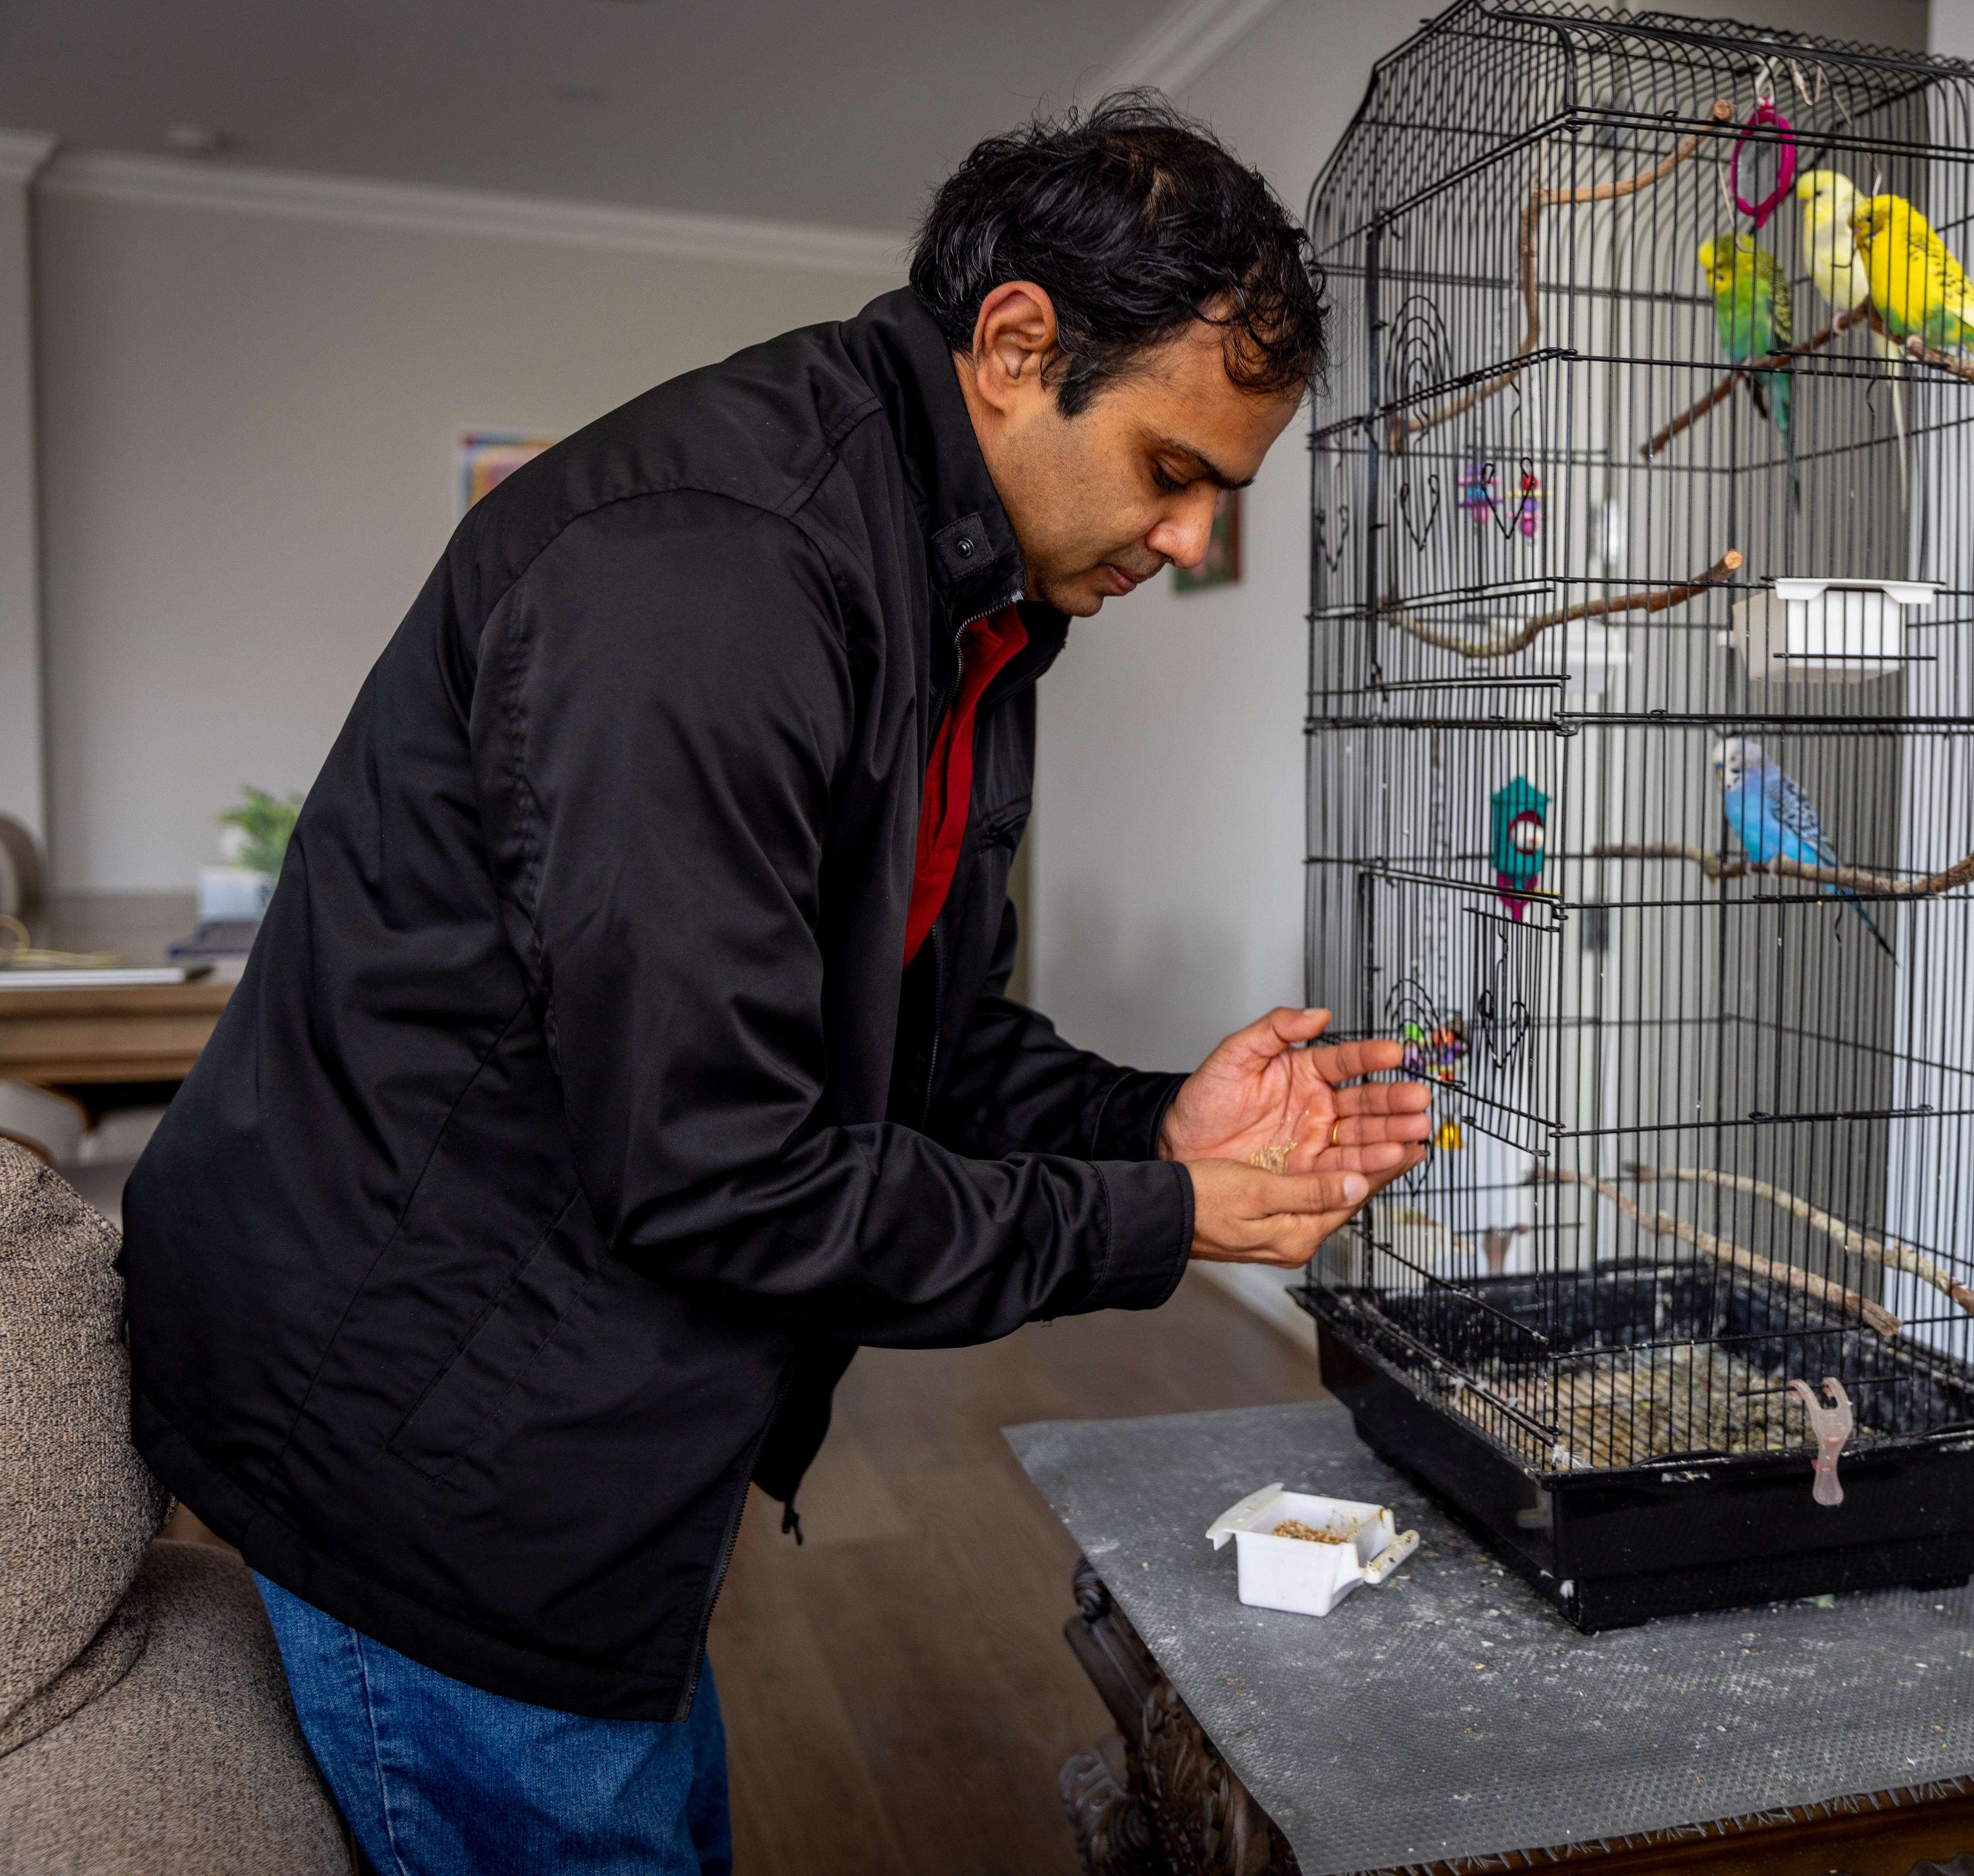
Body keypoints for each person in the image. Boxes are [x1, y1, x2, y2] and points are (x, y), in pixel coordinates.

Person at [118, 97, 1430, 1875]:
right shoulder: (712, 577)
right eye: (1173, 472)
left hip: (578, 1437)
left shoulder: (969, 588)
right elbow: (716, 1169)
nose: (1193, 543)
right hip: (425, 1451)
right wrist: (1159, 1216)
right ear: (1017, 345)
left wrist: (1154, 1125)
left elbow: (925, 1035)